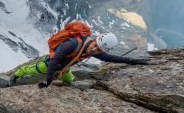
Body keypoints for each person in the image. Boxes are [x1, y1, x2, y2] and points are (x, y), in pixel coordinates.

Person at [9, 22, 149, 88]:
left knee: (70, 81)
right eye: (95, 45)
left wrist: (135, 61)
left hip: (65, 68)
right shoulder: (72, 44)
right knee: (32, 70)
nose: (94, 50)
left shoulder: (94, 50)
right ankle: (16, 74)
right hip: (51, 64)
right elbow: (53, 61)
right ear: (95, 39)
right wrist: (48, 80)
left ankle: (65, 83)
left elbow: (114, 58)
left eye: (98, 50)